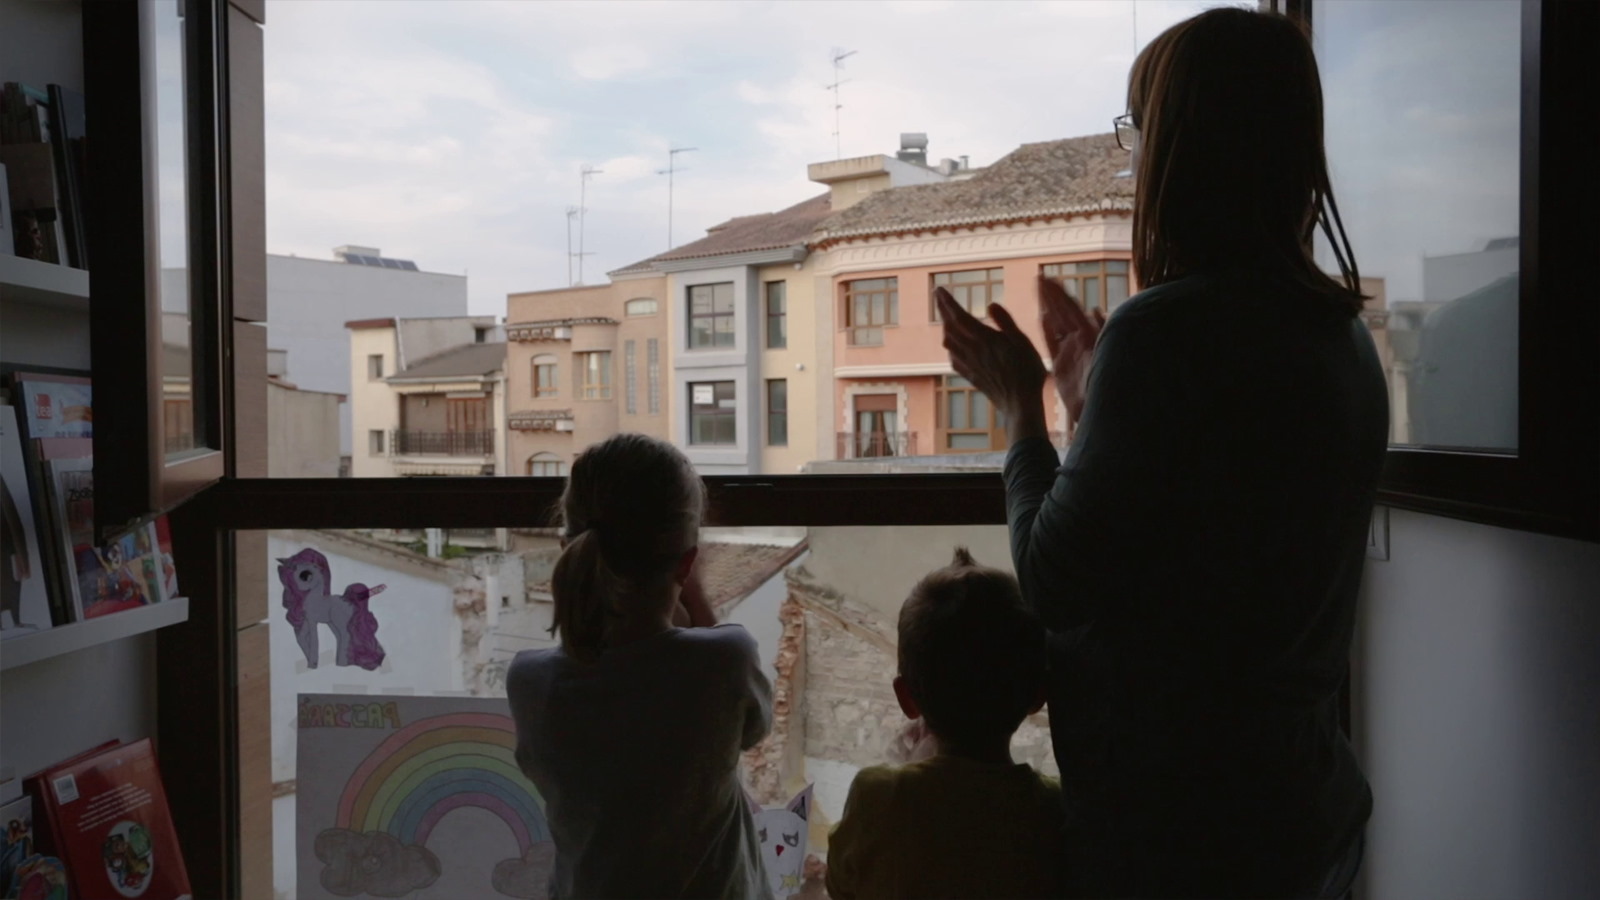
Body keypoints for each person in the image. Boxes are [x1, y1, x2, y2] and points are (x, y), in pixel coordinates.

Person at [938, 8, 1387, 898]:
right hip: (1301, 807)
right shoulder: (1337, 334)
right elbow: (1193, 535)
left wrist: (1020, 409)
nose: (1134, 157)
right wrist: (1088, 405)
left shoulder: (1169, 331)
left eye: (1140, 131)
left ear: (1182, 146)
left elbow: (1055, 577)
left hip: (1187, 836)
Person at [506, 433, 775, 900]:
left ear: (566, 545)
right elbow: (752, 730)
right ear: (686, 562)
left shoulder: (532, 683)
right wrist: (695, 596)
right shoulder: (723, 663)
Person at [825, 548, 1063, 900]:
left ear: (906, 698)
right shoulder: (1056, 810)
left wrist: (910, 772)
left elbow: (841, 886)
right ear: (1039, 695)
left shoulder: (879, 796)